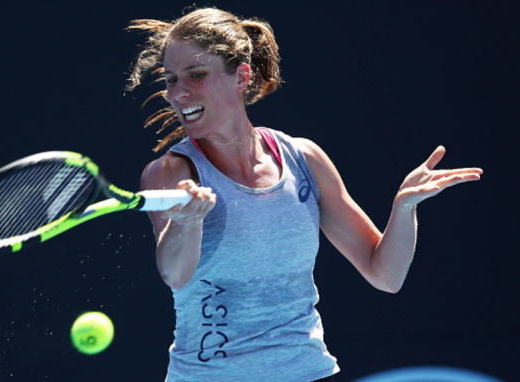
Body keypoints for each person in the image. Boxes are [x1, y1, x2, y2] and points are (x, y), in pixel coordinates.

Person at [125, 7, 482, 382]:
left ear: (241, 77)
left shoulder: (303, 159)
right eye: (170, 79)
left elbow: (386, 274)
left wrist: (404, 206)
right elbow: (175, 274)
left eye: (195, 75)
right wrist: (188, 223)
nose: (177, 93)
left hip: (308, 373)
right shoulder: (172, 173)